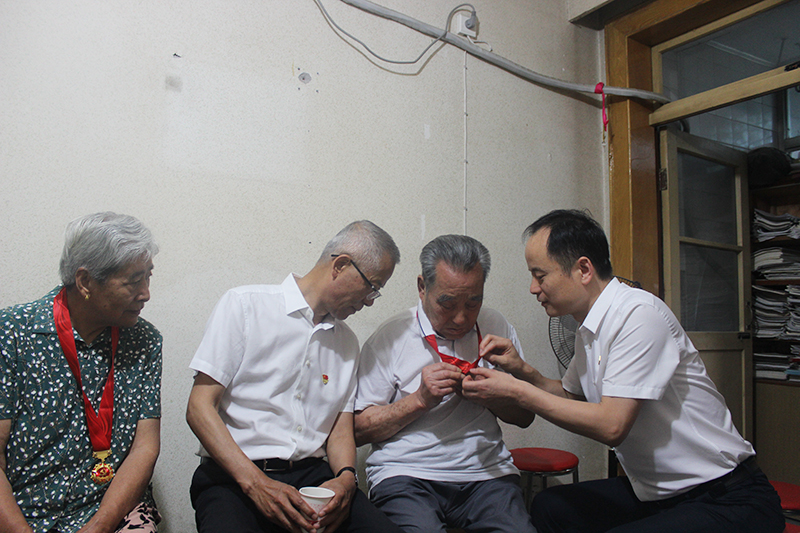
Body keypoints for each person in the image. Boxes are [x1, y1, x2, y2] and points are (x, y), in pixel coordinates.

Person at [461, 209, 785, 533]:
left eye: (540, 275)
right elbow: (571, 395)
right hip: (656, 494)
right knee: (550, 506)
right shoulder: (588, 328)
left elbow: (612, 425)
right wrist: (521, 370)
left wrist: (516, 391)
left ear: (583, 269)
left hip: (724, 495)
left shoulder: (637, 315)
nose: (533, 288)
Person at [186, 220, 404, 533]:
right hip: (234, 477)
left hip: (313, 480)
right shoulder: (245, 306)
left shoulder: (346, 342)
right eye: (372, 286)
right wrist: (257, 484)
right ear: (341, 265)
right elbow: (199, 407)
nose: (370, 300)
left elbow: (340, 427)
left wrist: (346, 478)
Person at [354, 234, 537, 533]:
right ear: (422, 287)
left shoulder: (497, 327)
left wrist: (494, 396)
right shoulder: (390, 337)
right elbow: (358, 430)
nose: (461, 318)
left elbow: (525, 417)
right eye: (447, 304)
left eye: (473, 302)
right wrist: (419, 400)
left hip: (486, 474)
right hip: (406, 472)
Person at [0, 212, 162, 533]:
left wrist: (99, 526)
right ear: (85, 282)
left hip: (106, 510)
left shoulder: (144, 341)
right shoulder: (12, 334)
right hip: (22, 512)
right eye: (133, 281)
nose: (145, 293)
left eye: (148, 277)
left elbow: (144, 448)